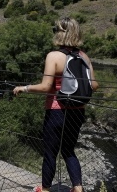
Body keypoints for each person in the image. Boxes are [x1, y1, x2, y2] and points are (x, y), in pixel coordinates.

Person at [13, 17, 99, 192]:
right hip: (78, 112)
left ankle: (44, 189)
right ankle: (78, 188)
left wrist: (25, 88)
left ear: (61, 33)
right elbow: (95, 85)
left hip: (56, 110)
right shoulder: (84, 56)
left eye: (55, 30)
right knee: (68, 151)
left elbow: (45, 87)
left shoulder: (53, 56)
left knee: (50, 152)